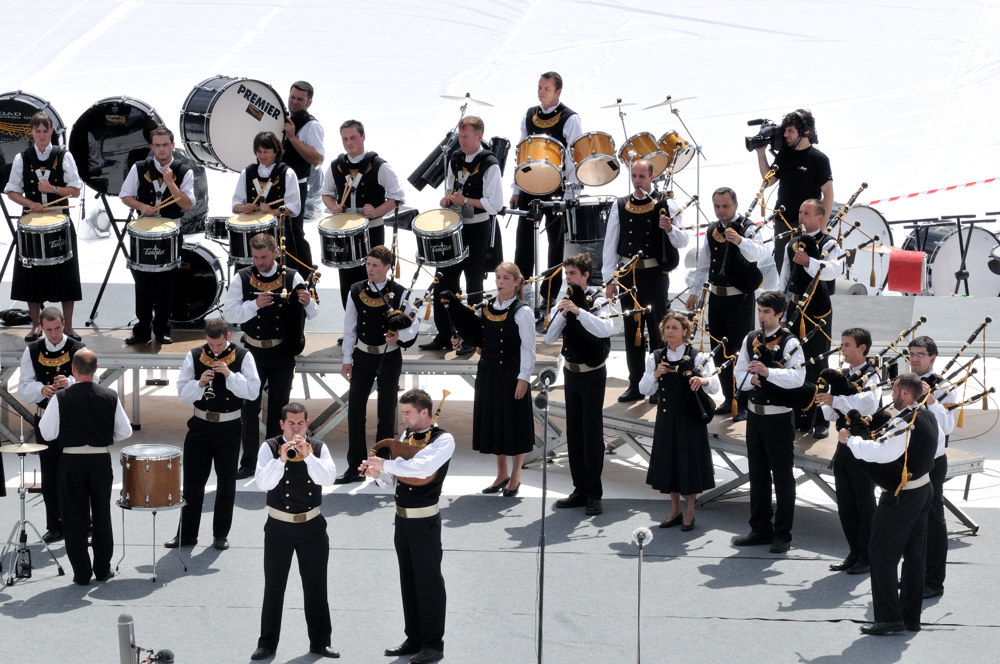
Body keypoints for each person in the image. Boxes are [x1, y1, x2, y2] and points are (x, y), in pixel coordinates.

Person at [838, 372, 937, 635]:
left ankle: (889, 619)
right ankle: (910, 618)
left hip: (903, 498)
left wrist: (850, 440)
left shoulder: (907, 421)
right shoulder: (926, 414)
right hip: (923, 490)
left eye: (894, 391)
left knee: (881, 554)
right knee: (914, 556)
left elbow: (881, 454)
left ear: (905, 393)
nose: (892, 396)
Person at [360, 388, 454, 664]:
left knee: (429, 582)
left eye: (408, 413)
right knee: (409, 580)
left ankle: (433, 644)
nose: (404, 418)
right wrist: (376, 472)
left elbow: (422, 470)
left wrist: (386, 464)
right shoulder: (405, 437)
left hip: (425, 521)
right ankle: (414, 638)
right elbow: (392, 480)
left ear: (425, 412)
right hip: (401, 520)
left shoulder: (443, 440)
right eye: (403, 413)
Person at [223, 232, 318, 480]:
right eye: (255, 257)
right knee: (248, 409)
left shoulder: (292, 276)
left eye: (264, 257)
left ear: (275, 253)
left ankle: (275, 459)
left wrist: (307, 302)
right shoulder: (242, 276)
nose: (259, 262)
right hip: (252, 352)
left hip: (281, 352)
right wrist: (254, 305)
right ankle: (248, 462)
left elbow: (313, 312)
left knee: (278, 410)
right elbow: (230, 313)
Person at [251, 403, 339, 660]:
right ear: (282, 424)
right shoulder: (269, 447)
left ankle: (320, 642)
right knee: (274, 586)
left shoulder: (319, 448)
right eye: (291, 423)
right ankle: (267, 643)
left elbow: (328, 478)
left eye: (301, 423)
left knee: (316, 586)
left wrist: (307, 455)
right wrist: (281, 458)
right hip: (279, 526)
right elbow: (263, 482)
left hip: (312, 527)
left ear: (307, 424)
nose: (296, 428)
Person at [38, 349, 132, 586]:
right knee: (102, 516)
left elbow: (47, 433)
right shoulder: (110, 395)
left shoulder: (61, 397)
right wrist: (101, 433)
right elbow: (125, 431)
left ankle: (81, 573)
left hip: (71, 461)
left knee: (74, 519)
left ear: (73, 369)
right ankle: (103, 569)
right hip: (100, 461)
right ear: (96, 368)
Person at [167, 318, 260, 550]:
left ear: (227, 337)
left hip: (229, 427)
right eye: (210, 344)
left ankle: (220, 535)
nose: (214, 349)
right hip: (200, 425)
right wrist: (199, 384)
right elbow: (182, 393)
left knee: (226, 483)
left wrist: (229, 375)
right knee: (192, 483)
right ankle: (186, 535)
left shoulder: (243, 356)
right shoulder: (195, 355)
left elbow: (252, 391)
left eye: (218, 345)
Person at [602, 159, 688, 402]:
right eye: (634, 176)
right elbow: (610, 244)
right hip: (628, 276)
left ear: (652, 177)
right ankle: (636, 384)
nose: (637, 181)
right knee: (632, 331)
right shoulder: (620, 205)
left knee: (658, 331)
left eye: (642, 176)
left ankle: (659, 384)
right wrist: (610, 280)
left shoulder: (666, 203)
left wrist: (670, 229)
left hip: (655, 275)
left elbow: (683, 241)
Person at [448, 262, 535, 496]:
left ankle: (515, 476)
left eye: (506, 278)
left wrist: (524, 378)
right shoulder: (485, 308)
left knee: (514, 425)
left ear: (517, 282)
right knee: (496, 424)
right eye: (498, 277)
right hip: (488, 373)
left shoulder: (523, 312)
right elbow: (474, 332)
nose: (500, 282)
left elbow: (529, 348)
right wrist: (458, 338)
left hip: (512, 375)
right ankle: (501, 474)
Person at [419, 116, 504, 356]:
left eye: (466, 137)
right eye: (460, 137)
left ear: (479, 136)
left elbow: (495, 204)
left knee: (473, 283)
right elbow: (450, 185)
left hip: (477, 228)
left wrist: (465, 200)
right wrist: (447, 198)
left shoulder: (490, 164)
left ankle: (472, 337)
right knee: (443, 280)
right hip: (454, 227)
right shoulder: (455, 157)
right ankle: (445, 334)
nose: (462, 141)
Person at [335, 245, 420, 484]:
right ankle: (355, 467)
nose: (369, 269)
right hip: (362, 356)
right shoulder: (356, 290)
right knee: (355, 411)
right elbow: (349, 328)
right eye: (368, 264)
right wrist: (347, 360)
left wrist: (398, 336)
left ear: (387, 267)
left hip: (389, 357)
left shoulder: (400, 292)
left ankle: (381, 467)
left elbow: (414, 325)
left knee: (386, 413)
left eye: (375, 265)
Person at [685, 187, 768, 422]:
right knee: (719, 349)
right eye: (717, 207)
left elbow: (759, 253)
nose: (721, 211)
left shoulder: (748, 228)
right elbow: (703, 265)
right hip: (717, 298)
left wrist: (740, 241)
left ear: (735, 205)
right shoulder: (713, 229)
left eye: (725, 206)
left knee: (740, 351)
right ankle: (728, 397)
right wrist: (694, 292)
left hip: (739, 299)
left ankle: (742, 402)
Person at [732, 290, 805, 553]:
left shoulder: (790, 342)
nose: (761, 316)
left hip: (778, 417)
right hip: (755, 415)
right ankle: (760, 529)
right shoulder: (750, 337)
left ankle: (782, 534)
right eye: (759, 311)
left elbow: (797, 378)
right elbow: (739, 371)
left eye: (766, 312)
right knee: (758, 474)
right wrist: (752, 378)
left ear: (779, 314)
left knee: (783, 477)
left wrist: (767, 372)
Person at [543, 253, 612, 516]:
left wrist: (579, 311)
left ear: (585, 275)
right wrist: (564, 312)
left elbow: (606, 329)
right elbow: (549, 337)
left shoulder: (599, 300)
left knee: (591, 433)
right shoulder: (565, 301)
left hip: (593, 374)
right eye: (566, 274)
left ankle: (594, 494)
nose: (568, 278)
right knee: (574, 432)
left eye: (572, 273)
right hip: (571, 373)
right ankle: (579, 489)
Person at [4, 111, 83, 340]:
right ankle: (36, 326)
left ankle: (68, 327)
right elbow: (11, 191)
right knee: (31, 275)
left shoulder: (64, 156)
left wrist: (53, 189)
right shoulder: (22, 158)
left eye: (45, 131)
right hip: (31, 222)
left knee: (66, 275)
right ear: (31, 132)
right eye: (37, 131)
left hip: (59, 220)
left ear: (51, 132)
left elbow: (75, 190)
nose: (41, 135)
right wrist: (30, 203)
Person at [639, 311, 719, 530]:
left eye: (675, 327)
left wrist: (702, 380)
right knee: (670, 465)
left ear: (685, 331)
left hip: (690, 420)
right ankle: (675, 510)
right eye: (667, 327)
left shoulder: (697, 356)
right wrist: (655, 375)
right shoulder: (655, 357)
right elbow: (644, 389)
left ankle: (690, 511)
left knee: (689, 466)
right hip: (666, 418)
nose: (670, 331)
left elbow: (715, 385)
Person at [510, 71, 583, 311]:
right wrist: (516, 189)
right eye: (540, 87)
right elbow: (521, 154)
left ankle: (549, 294)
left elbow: (573, 158)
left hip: (556, 188)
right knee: (523, 242)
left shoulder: (570, 118)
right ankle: (520, 291)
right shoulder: (529, 114)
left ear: (558, 91)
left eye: (546, 89)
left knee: (555, 245)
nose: (541, 92)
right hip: (529, 186)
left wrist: (570, 194)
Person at [120, 126, 196, 345]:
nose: (161, 149)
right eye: (157, 145)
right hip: (144, 231)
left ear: (173, 146)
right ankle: (142, 330)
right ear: (151, 147)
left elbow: (187, 205)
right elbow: (125, 195)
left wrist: (171, 182)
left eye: (165, 145)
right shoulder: (140, 167)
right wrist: (141, 206)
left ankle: (162, 329)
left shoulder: (184, 171)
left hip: (170, 231)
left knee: (167, 283)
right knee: (143, 282)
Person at [321, 119, 405, 311]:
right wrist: (333, 206)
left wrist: (376, 211)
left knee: (372, 278)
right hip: (344, 234)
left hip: (371, 231)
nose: (349, 143)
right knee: (347, 281)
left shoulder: (379, 165)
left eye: (353, 138)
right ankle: (351, 323)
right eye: (345, 139)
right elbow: (326, 193)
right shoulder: (336, 166)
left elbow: (398, 197)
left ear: (363, 136)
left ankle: (375, 321)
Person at [18, 306, 85, 543]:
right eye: (49, 330)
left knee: (77, 471)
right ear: (41, 328)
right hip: (45, 417)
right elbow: (23, 386)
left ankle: (82, 523)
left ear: (64, 324)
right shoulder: (32, 350)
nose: (54, 334)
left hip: (72, 418)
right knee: (49, 472)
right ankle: (55, 524)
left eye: (57, 328)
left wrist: (71, 382)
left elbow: (93, 379)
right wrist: (41, 389)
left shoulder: (78, 348)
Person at [816, 328, 881, 575]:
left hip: (863, 443)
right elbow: (832, 414)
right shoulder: (841, 375)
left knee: (864, 502)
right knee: (845, 501)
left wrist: (836, 401)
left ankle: (869, 555)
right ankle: (854, 551)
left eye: (847, 345)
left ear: (862, 348)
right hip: (843, 443)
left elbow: (868, 405)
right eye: (842, 344)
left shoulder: (872, 375)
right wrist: (827, 401)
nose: (842, 349)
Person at [779, 198, 843, 438]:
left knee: (818, 363)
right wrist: (782, 312)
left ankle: (821, 419)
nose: (801, 217)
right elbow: (785, 278)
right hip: (795, 309)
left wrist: (810, 262)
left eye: (806, 213)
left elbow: (835, 270)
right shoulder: (792, 243)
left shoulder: (829, 243)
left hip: (818, 312)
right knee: (796, 361)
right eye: (800, 212)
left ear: (819, 217)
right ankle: (800, 415)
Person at [907, 335, 959, 600]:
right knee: (911, 521)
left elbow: (948, 426)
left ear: (933, 358)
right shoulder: (907, 381)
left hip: (933, 461)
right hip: (909, 459)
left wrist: (931, 401)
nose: (914, 359)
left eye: (920, 354)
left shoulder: (945, 387)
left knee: (933, 522)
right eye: (911, 354)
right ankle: (913, 576)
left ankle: (934, 581)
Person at [754, 109, 833, 273]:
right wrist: (761, 154)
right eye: (785, 130)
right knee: (783, 269)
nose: (785, 135)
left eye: (790, 130)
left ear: (804, 131)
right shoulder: (784, 155)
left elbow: (828, 193)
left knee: (804, 272)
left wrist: (822, 227)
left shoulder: (819, 159)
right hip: (783, 223)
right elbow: (769, 181)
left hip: (807, 225)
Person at [281, 81, 325, 277]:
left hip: (296, 186)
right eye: (292, 97)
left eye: (300, 99)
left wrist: (292, 138)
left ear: (309, 102)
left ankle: (305, 277)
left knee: (294, 233)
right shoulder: (282, 118)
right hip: (275, 184)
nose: (294, 102)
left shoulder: (311, 125)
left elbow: (316, 159)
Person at [231, 130, 302, 245]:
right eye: (259, 151)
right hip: (252, 231)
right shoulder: (247, 173)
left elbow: (294, 206)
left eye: (266, 152)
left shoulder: (287, 173)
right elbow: (236, 203)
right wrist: (244, 208)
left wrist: (272, 212)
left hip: (279, 232)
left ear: (275, 152)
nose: (261, 156)